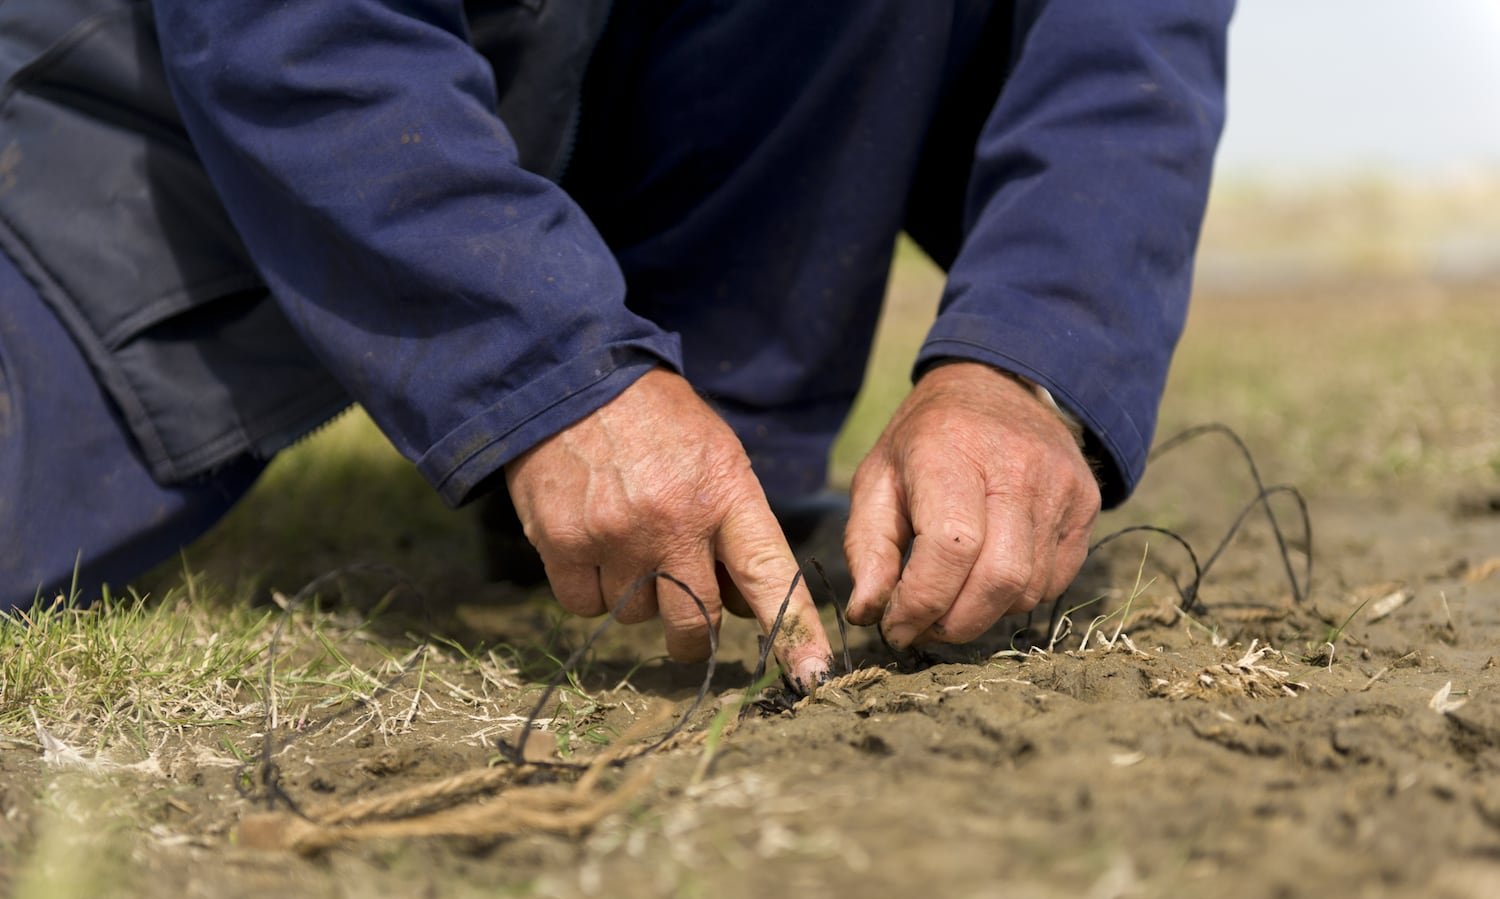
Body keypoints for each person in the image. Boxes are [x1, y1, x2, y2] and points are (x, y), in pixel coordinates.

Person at [0, 0, 1232, 691]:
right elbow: (295, 28)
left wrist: (1029, 358)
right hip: (157, 106)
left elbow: (1127, 36)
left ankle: (711, 466)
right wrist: (543, 373)